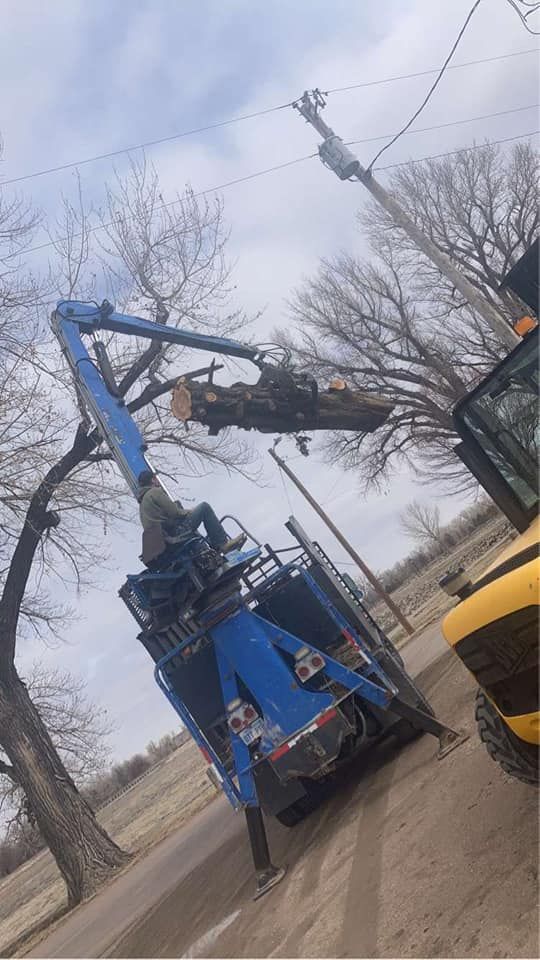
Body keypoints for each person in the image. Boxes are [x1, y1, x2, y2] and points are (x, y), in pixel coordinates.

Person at [137, 469, 245, 554]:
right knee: (204, 507)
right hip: (175, 534)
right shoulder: (155, 492)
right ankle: (222, 544)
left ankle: (212, 547)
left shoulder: (142, 505)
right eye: (155, 478)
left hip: (164, 541)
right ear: (152, 480)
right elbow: (176, 513)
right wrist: (189, 511)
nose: (157, 480)